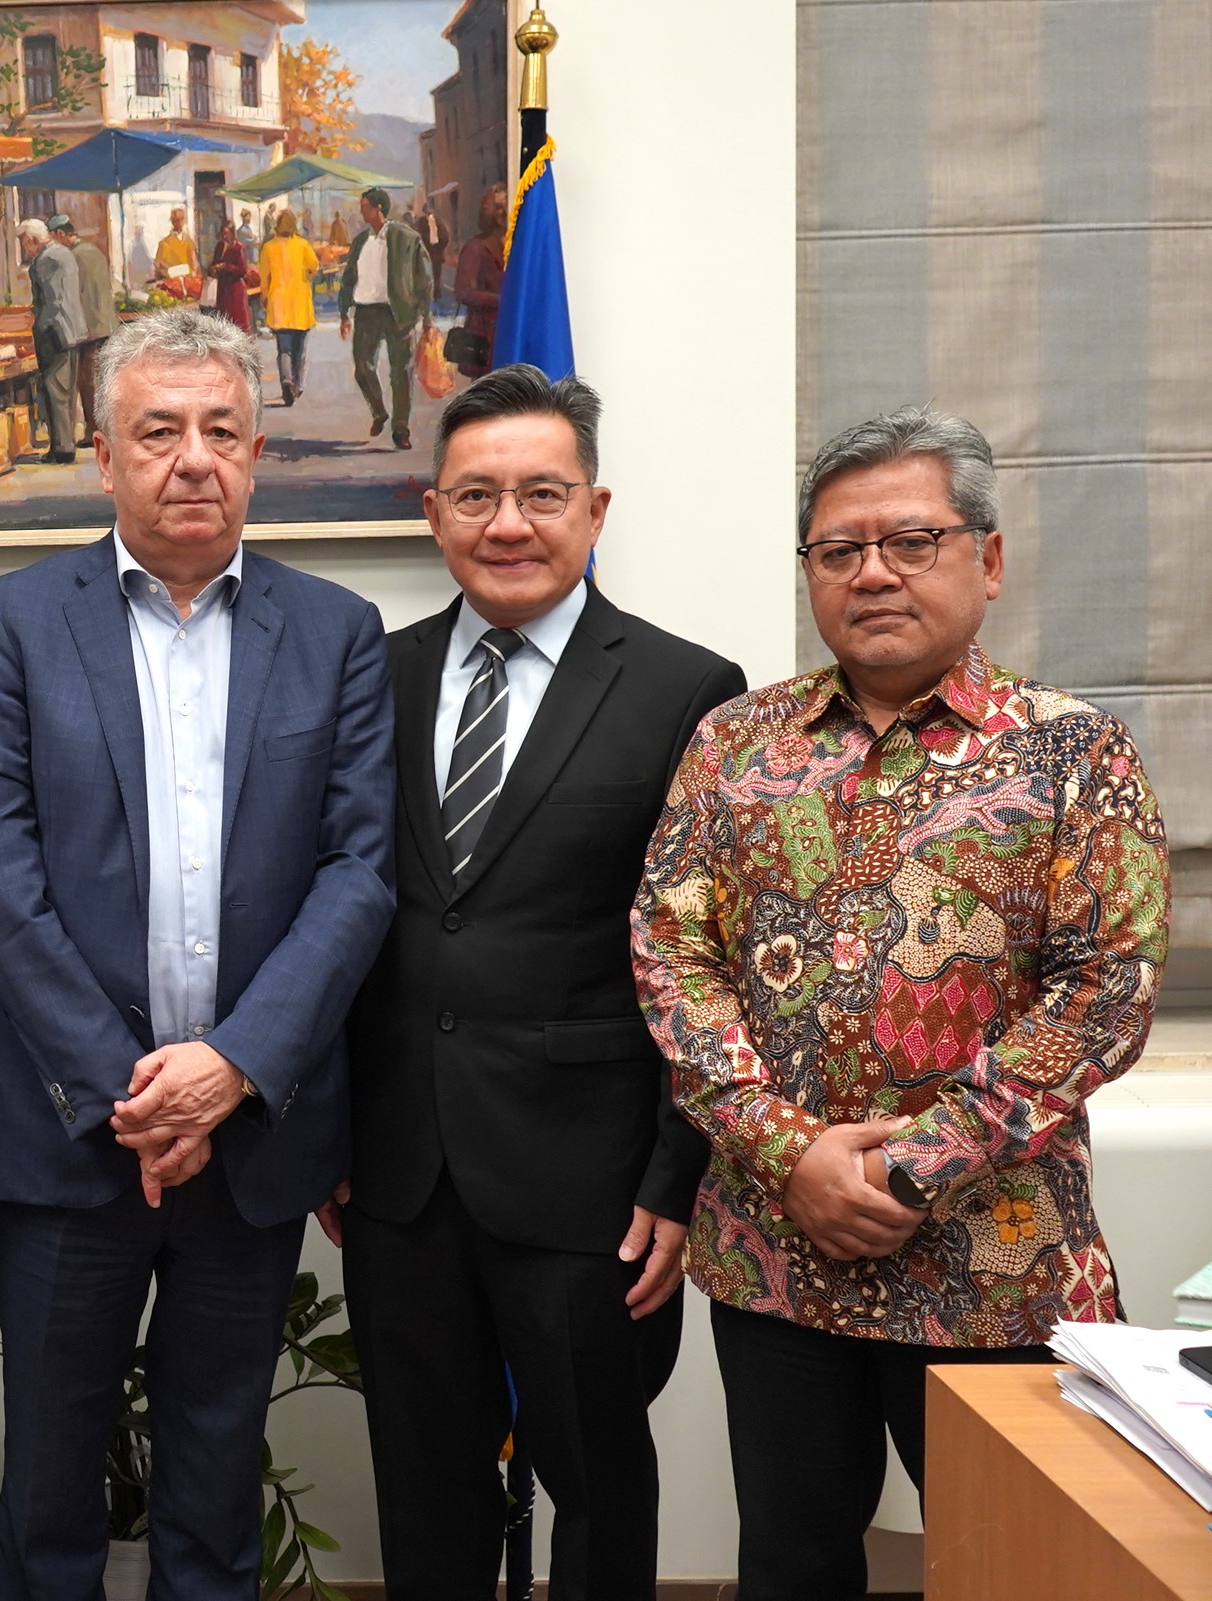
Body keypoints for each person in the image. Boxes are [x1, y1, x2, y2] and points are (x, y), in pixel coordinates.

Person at [634, 405, 1169, 1601]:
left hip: (998, 1261)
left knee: (1024, 1568)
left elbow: (1106, 990)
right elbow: (672, 955)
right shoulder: (734, 745)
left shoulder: (1075, 752)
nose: (872, 571)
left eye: (911, 540)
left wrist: (912, 1165)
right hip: (779, 1254)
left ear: (988, 557)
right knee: (791, 1565)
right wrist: (790, 1152)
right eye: (839, 549)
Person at [0, 307, 396, 1600]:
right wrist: (131, 1092)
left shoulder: (337, 630)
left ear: (255, 453)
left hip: (250, 1141)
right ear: (103, 457)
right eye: (157, 431)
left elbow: (357, 871)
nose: (192, 458)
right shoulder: (12, 622)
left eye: (220, 431)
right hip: (67, 1134)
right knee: (48, 1487)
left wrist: (230, 1068)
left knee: (214, 1481)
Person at [327, 366, 745, 1601]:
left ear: (596, 508)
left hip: (591, 1179)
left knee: (600, 1485)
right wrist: (329, 1128)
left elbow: (708, 956)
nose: (508, 522)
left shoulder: (687, 689)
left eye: (542, 494)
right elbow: (332, 910)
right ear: (433, 511)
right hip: (397, 1171)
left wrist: (676, 1175)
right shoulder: (372, 675)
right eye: (476, 495)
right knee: (424, 1485)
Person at [338, 186, 434, 448]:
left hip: (398, 312)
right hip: (366, 311)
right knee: (362, 367)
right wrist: (344, 313)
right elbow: (348, 278)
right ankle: (379, 411)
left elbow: (424, 278)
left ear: (378, 208)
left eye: (365, 207)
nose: (361, 212)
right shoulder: (360, 241)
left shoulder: (407, 237)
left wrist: (426, 317)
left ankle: (401, 429)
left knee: (401, 371)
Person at [20, 215, 88, 463]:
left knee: (55, 391)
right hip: (72, 331)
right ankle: (65, 444)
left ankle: (62, 449)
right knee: (66, 391)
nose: (24, 249)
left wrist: (40, 326)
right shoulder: (64, 253)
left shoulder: (45, 260)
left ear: (32, 240)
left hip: (55, 332)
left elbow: (52, 301)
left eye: (24, 243)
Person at [59, 217, 116, 446]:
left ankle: (93, 430)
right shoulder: (95, 251)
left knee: (87, 380)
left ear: (61, 235)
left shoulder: (74, 256)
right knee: (100, 378)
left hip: (88, 326)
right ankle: (101, 428)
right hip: (105, 323)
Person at [256, 209, 320, 407]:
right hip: (300, 304)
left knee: (284, 349)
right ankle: (297, 385)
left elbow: (264, 277)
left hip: (279, 305)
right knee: (299, 349)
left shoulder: (268, 247)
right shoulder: (302, 245)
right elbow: (314, 266)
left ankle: (286, 380)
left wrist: (264, 297)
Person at [452, 183, 508, 380]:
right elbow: (463, 292)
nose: (504, 212)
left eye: (506, 206)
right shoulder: (475, 247)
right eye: (498, 207)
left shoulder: (519, 244)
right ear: (488, 211)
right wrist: (502, 300)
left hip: (511, 331)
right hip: (485, 337)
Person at [206, 220, 252, 331]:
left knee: (237, 321)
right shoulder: (219, 246)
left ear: (232, 233)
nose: (224, 236)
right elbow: (215, 262)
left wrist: (226, 266)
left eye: (227, 233)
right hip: (222, 289)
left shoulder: (239, 248)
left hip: (235, 290)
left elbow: (242, 270)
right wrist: (212, 269)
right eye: (223, 233)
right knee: (224, 321)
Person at [152, 205, 197, 290]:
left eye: (182, 219)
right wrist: (172, 272)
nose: (179, 222)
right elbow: (159, 265)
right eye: (176, 220)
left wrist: (192, 274)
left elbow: (193, 262)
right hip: (171, 285)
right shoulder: (164, 243)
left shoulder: (188, 241)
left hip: (188, 284)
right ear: (172, 221)